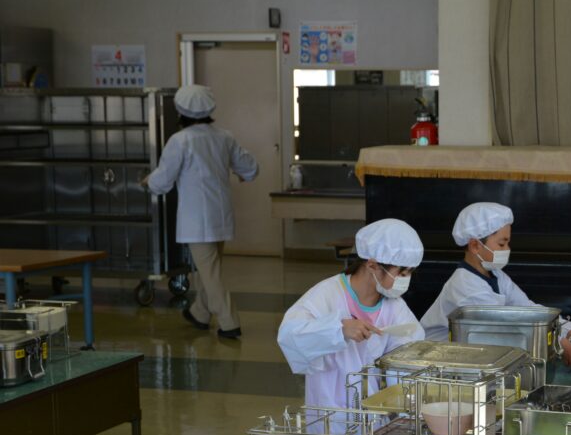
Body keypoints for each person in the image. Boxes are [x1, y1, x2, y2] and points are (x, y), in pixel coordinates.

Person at [145, 85, 258, 339]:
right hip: (221, 215)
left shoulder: (180, 140)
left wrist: (149, 181)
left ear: (180, 111)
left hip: (196, 220)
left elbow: (163, 180)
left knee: (210, 273)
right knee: (211, 269)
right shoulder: (224, 137)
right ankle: (200, 312)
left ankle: (229, 322)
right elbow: (250, 168)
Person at [419, 202, 571, 365]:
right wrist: (559, 344)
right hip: (439, 363)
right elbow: (505, 332)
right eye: (502, 244)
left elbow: (527, 309)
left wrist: (568, 331)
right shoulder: (465, 287)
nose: (507, 249)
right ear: (475, 246)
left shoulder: (496, 275)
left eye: (508, 243)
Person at [278, 218, 425, 409]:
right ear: (372, 265)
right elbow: (290, 336)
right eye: (402, 273)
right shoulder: (328, 294)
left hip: (373, 413)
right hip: (329, 411)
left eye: (410, 273)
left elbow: (408, 356)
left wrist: (406, 408)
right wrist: (337, 329)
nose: (406, 280)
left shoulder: (394, 306)